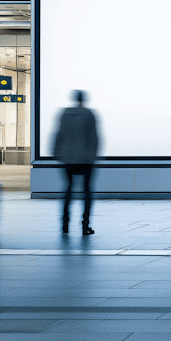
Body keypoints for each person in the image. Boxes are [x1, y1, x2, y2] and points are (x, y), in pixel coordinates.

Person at [53, 90, 100, 235]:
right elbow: (94, 137)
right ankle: (85, 225)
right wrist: (93, 155)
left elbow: (58, 134)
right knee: (87, 191)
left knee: (68, 189)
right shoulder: (89, 114)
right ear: (84, 99)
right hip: (86, 159)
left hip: (68, 159)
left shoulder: (65, 114)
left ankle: (65, 224)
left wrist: (57, 153)